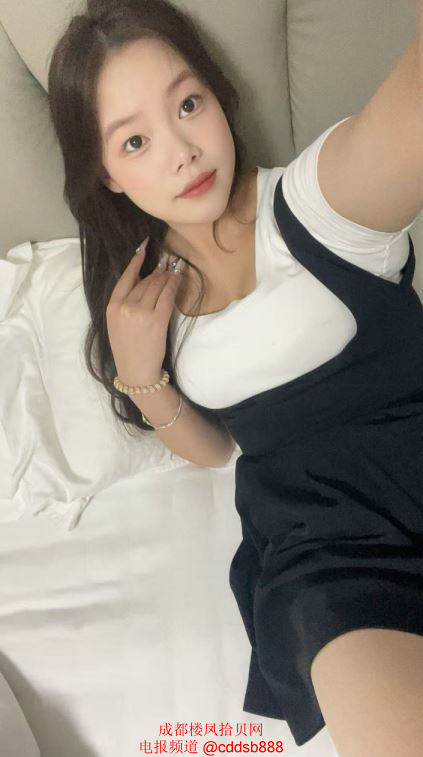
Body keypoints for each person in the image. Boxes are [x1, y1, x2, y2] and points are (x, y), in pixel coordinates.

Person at [47, 1, 423, 753]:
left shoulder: (316, 205)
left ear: (219, 96)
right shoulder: (144, 299)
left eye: (188, 104)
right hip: (325, 553)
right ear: (107, 173)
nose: (183, 153)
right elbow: (217, 450)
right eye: (135, 140)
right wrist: (140, 372)